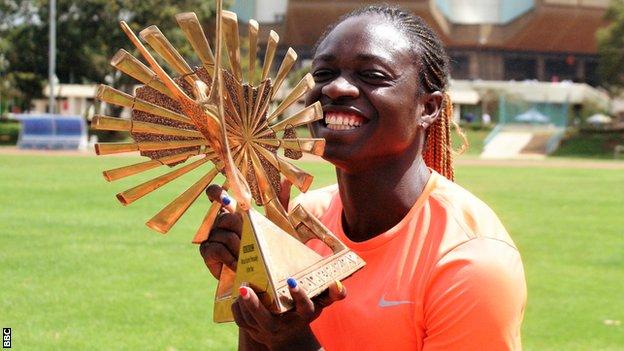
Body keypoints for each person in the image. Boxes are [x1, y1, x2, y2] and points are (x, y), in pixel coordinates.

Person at [200, 5, 526, 351]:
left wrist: (294, 343)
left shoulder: (471, 262)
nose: (337, 88)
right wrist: (252, 282)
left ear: (428, 108)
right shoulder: (301, 223)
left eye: (372, 75)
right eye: (323, 74)